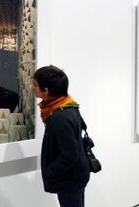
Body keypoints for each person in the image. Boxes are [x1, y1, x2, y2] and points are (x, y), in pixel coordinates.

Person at [32, 65, 90, 207]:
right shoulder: (68, 105)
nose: (32, 87)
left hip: (69, 179)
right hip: (76, 175)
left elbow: (69, 155)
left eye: (35, 84)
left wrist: (50, 171)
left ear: (46, 91)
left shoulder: (59, 116)